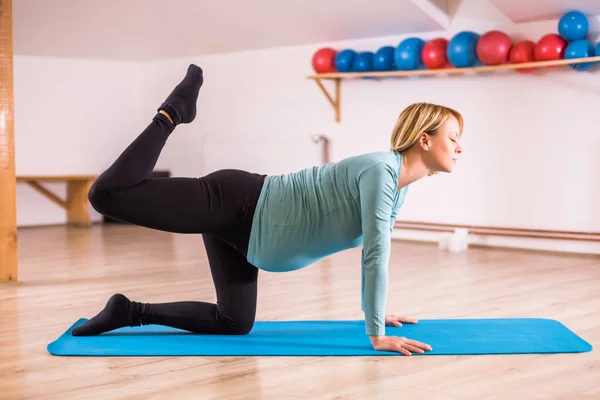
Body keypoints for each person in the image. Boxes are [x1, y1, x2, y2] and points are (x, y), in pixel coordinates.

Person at [72, 64, 464, 356]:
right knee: (107, 195)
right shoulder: (381, 170)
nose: (460, 147)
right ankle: (173, 111)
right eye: (453, 137)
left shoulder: (398, 189)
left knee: (235, 323)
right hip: (238, 202)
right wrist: (375, 333)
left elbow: (371, 254)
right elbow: (377, 254)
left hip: (249, 235)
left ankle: (128, 312)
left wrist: (376, 313)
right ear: (424, 139)